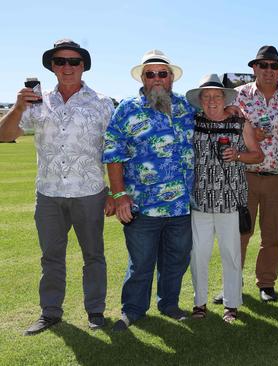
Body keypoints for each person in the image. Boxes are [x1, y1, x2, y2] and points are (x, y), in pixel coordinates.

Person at [0, 39, 114, 335]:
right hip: (49, 194)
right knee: (50, 257)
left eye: (74, 62)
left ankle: (96, 311)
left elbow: (115, 149)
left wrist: (115, 191)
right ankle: (50, 313)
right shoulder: (36, 102)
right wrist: (17, 107)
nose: (67, 67)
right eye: (60, 61)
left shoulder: (102, 103)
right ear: (52, 66)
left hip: (89, 192)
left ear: (83, 66)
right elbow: (5, 135)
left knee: (94, 255)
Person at [103, 50, 195, 331]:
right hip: (142, 204)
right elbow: (112, 151)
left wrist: (232, 110)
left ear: (171, 79)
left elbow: (216, 112)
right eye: (150, 74)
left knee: (176, 259)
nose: (156, 79)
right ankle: (133, 310)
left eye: (162, 74)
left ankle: (169, 304)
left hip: (182, 204)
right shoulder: (128, 109)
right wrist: (119, 196)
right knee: (140, 262)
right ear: (142, 79)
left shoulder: (186, 107)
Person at [231, 45, 278, 303]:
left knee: (273, 235)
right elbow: (226, 130)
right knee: (239, 233)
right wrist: (248, 137)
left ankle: (266, 283)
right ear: (254, 67)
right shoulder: (237, 96)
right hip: (244, 175)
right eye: (263, 65)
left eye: (274, 66)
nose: (268, 70)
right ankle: (232, 284)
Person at [186, 74, 263, 323]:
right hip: (199, 200)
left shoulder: (240, 123)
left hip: (230, 200)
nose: (211, 101)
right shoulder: (192, 122)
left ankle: (232, 304)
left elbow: (258, 155)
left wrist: (238, 155)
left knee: (231, 254)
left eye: (216, 96)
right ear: (200, 101)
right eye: (206, 97)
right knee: (199, 254)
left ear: (224, 98)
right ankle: (199, 303)